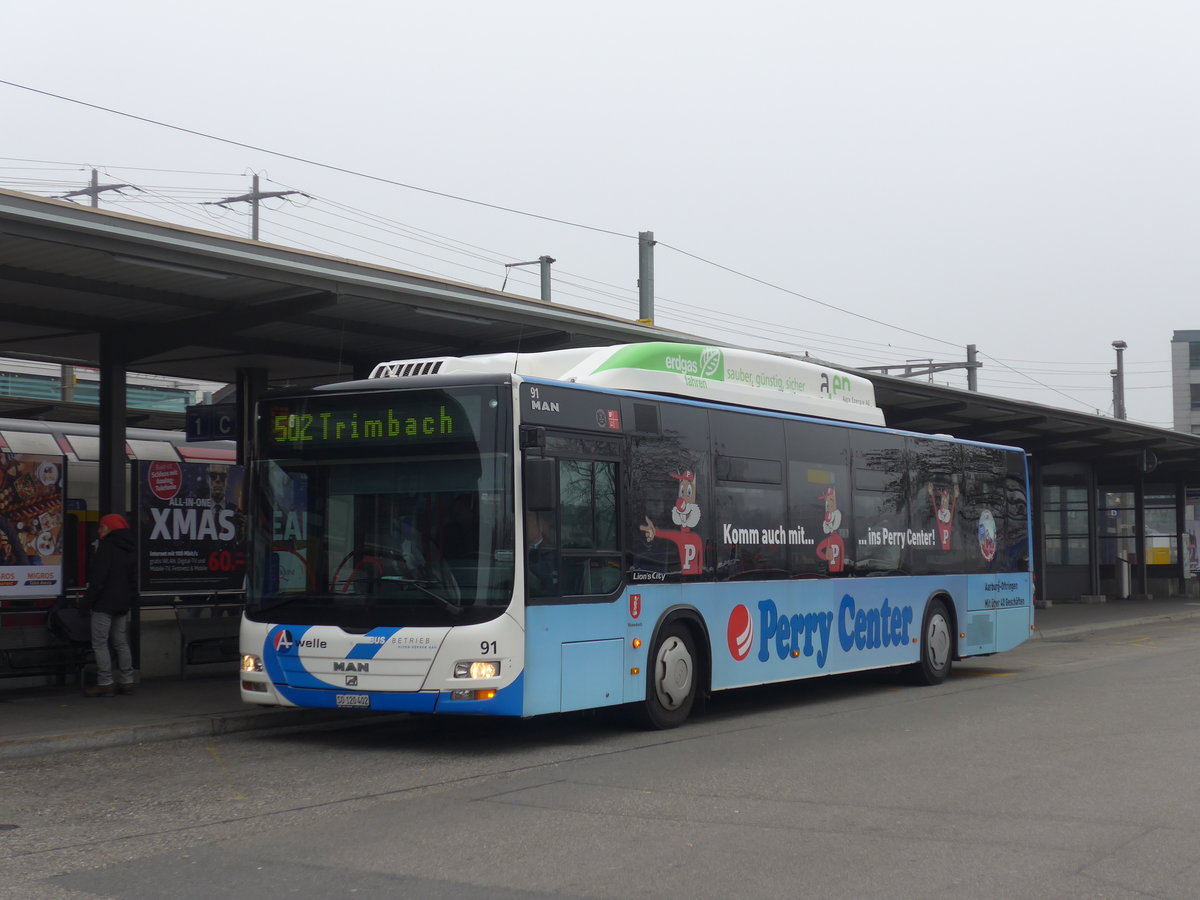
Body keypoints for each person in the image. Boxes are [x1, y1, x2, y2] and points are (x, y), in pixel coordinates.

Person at [79, 513, 138, 697]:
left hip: (104, 603)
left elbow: (99, 578)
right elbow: (132, 579)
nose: (99, 530)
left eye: (102, 527)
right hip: (122, 603)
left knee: (100, 643)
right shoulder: (129, 548)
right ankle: (127, 680)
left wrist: (86, 601)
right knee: (121, 642)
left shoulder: (106, 548)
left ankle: (105, 682)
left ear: (111, 529)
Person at [526, 511, 558, 596]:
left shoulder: (548, 550)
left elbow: (544, 574)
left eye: (527, 525)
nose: (524, 529)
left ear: (539, 528)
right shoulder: (521, 547)